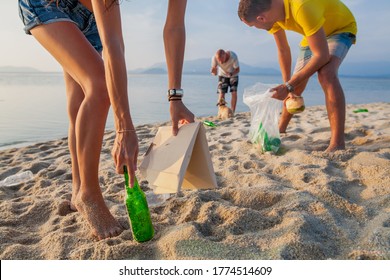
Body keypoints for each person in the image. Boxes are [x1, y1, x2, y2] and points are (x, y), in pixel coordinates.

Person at [18, 0, 194, 240]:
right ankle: (89, 194)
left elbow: (174, 27)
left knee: (80, 101)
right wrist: (124, 129)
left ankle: (78, 191)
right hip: (48, 3)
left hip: (91, 17)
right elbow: (114, 44)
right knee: (100, 87)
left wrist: (175, 98)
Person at [238, 0, 357, 152]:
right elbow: (283, 50)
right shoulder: (272, 15)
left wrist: (288, 86)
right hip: (312, 33)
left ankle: (338, 143)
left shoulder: (301, 6)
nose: (257, 28)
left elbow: (322, 56)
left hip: (339, 28)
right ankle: (280, 129)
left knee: (326, 74)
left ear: (261, 18)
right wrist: (288, 84)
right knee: (296, 83)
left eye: (254, 25)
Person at [210, 49, 240, 114]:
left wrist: (231, 74)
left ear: (225, 55)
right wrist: (213, 71)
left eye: (221, 60)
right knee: (221, 92)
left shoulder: (233, 56)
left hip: (233, 74)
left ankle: (232, 112)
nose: (220, 62)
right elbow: (214, 73)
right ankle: (220, 112)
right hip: (222, 74)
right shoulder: (214, 58)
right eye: (219, 60)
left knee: (234, 92)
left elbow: (237, 69)